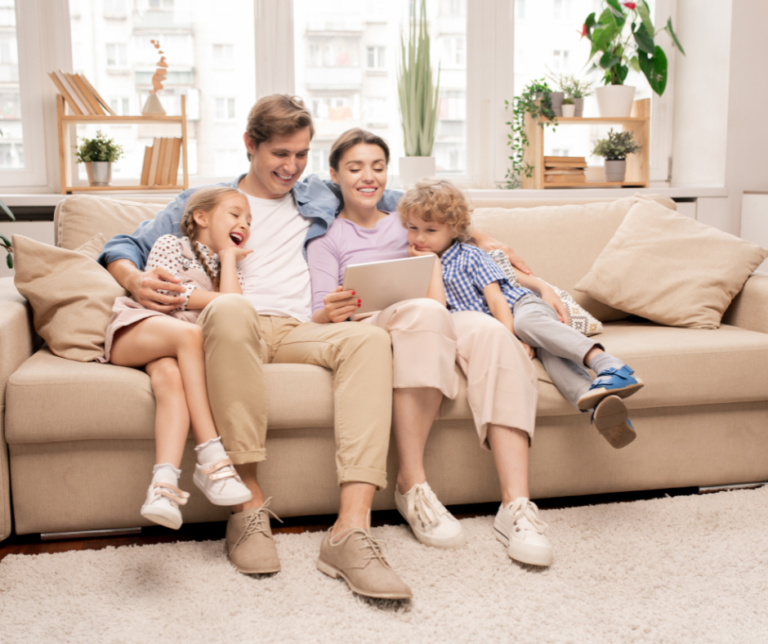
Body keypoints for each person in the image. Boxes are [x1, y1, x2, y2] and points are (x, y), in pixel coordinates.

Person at [99, 95, 533, 597]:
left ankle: (351, 529)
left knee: (368, 341)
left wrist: (482, 234)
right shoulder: (208, 199)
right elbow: (123, 244)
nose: (291, 166)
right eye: (280, 154)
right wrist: (131, 278)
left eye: (301, 154)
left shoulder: (317, 195)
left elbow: (399, 201)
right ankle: (248, 508)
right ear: (249, 145)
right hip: (234, 320)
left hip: (298, 327)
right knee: (232, 308)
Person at [307, 129, 553, 567]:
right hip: (377, 321)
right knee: (424, 312)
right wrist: (334, 308)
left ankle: (516, 505)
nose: (369, 177)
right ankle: (412, 486)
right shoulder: (328, 238)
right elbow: (318, 315)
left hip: (443, 312)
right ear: (334, 175)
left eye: (378, 167)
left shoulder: (406, 217)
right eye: (355, 168)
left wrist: (530, 279)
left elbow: (451, 218)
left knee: (495, 334)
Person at [400, 178, 644, 451]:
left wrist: (511, 337)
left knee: (527, 324)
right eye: (412, 228)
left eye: (430, 230)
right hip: (500, 327)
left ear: (454, 229)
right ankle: (600, 407)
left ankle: (608, 364)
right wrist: (431, 264)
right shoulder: (418, 264)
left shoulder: (469, 254)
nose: (419, 238)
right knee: (553, 358)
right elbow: (437, 311)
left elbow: (496, 300)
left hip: (521, 307)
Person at [101, 187, 255, 530]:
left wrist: (229, 258)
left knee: (171, 380)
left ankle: (163, 488)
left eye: (248, 220)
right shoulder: (172, 244)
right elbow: (170, 294)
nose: (244, 224)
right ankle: (213, 458)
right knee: (191, 334)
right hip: (141, 329)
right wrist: (218, 293)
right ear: (201, 217)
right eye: (235, 215)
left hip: (174, 349)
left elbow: (234, 306)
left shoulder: (226, 265)